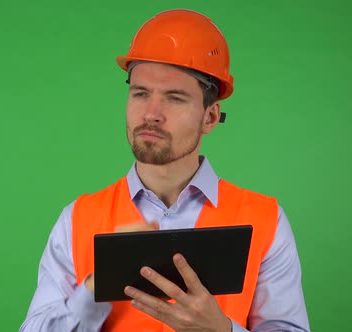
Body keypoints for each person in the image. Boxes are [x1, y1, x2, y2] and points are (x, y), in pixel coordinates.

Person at [19, 9, 309, 332]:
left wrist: (222, 331)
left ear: (210, 117)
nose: (151, 114)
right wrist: (97, 286)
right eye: (140, 93)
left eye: (174, 98)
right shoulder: (77, 220)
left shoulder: (264, 221)